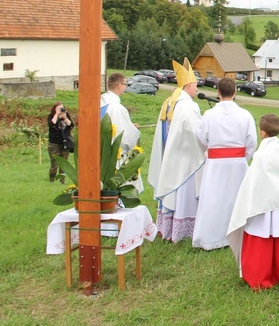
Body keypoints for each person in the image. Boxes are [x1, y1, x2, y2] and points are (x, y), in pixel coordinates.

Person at [227, 114, 279, 289]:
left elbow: (251, 185)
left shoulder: (261, 156)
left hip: (262, 209)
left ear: (262, 132)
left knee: (261, 239)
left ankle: (259, 277)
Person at [192, 77, 257, 250]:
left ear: (218, 93)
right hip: (237, 164)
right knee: (236, 198)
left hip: (216, 164)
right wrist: (242, 158)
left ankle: (212, 237)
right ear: (235, 92)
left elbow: (201, 138)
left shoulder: (209, 115)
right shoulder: (245, 115)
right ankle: (238, 234)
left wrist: (210, 153)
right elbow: (252, 141)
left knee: (214, 199)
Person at [147, 58, 206, 242]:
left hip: (170, 155)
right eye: (195, 85)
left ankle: (168, 227)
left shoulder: (171, 101)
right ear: (188, 85)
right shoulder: (188, 106)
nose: (197, 89)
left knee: (172, 189)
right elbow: (198, 133)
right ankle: (182, 231)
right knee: (182, 194)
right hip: (185, 160)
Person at [100, 72, 142, 191]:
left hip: (99, 153)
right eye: (125, 84)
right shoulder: (116, 108)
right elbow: (126, 138)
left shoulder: (99, 103)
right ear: (119, 86)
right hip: (114, 156)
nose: (126, 87)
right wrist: (134, 130)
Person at [47, 101, 73, 183]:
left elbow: (71, 125)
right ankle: (52, 180)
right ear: (55, 109)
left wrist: (65, 117)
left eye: (62, 108)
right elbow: (52, 124)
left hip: (65, 142)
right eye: (59, 108)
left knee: (64, 163)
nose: (61, 110)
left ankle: (62, 181)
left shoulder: (66, 116)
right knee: (54, 163)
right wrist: (57, 114)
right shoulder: (51, 116)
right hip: (54, 143)